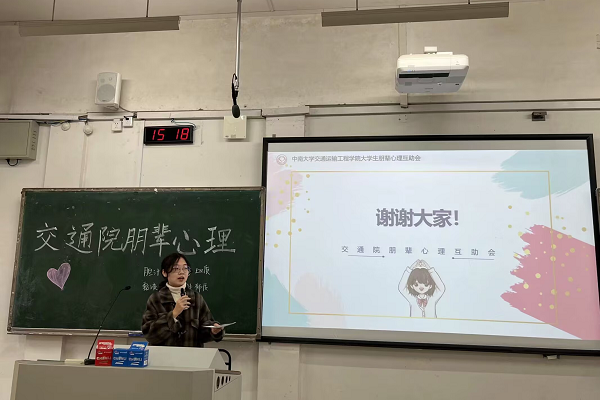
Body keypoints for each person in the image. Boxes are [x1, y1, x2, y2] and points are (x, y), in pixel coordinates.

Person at [142, 252, 223, 347]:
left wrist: (213, 330)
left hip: (191, 354)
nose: (181, 272)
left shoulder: (196, 298)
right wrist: (173, 314)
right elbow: (149, 334)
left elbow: (204, 331)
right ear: (164, 273)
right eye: (176, 269)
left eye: (185, 268)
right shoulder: (156, 299)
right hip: (164, 355)